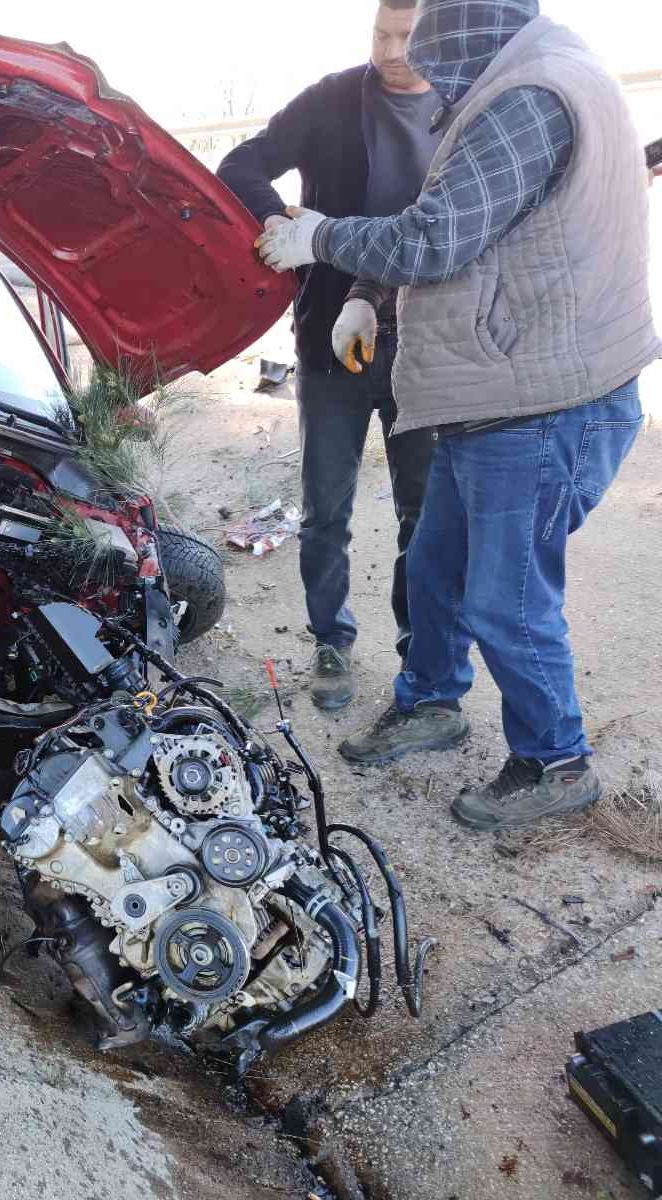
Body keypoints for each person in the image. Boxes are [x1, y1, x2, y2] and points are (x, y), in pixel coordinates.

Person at [256, 0, 660, 832]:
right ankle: (432, 701)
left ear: (464, 34)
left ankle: (555, 759)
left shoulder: (529, 99)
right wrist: (368, 298)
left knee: (505, 601)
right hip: (494, 398)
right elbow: (461, 224)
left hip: (544, 404)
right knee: (436, 569)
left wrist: (322, 240)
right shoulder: (512, 85)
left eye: (431, 53)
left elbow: (435, 239)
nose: (422, 70)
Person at [218, 0, 443, 713]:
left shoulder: (467, 105)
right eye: (382, 33)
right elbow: (240, 164)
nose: (392, 49)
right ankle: (330, 644)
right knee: (325, 512)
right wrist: (279, 220)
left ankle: (423, 656)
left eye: (408, 37)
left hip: (429, 343)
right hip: (328, 338)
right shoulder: (332, 99)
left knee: (425, 513)